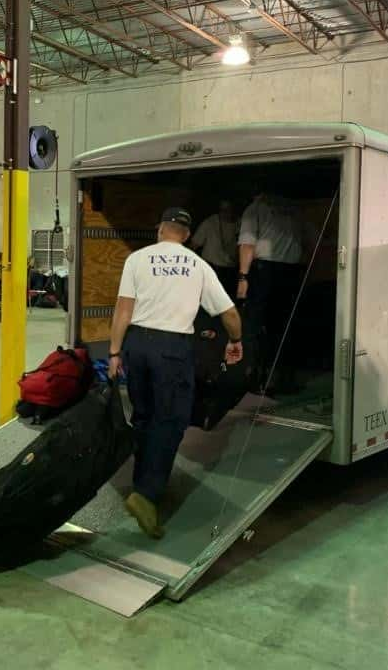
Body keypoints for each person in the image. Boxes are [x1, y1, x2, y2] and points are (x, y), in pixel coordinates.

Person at [108, 208, 243, 539]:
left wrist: (114, 352)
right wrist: (236, 341)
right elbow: (229, 312)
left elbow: (123, 310)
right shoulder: (198, 266)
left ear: (160, 230)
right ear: (186, 235)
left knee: (143, 415)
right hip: (172, 348)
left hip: (136, 344)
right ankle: (147, 495)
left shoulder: (137, 260)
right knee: (170, 421)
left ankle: (141, 483)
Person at [236, 193, 304, 392]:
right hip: (291, 270)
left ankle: (256, 379)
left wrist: (242, 277)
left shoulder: (255, 208)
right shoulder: (294, 208)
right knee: (285, 325)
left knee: (256, 326)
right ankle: (285, 378)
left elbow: (247, 244)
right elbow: (312, 239)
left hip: (264, 271)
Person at [190, 200, 239, 298]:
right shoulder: (210, 222)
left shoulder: (240, 223)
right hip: (211, 269)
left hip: (231, 271)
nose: (226, 213)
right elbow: (195, 244)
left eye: (229, 210)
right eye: (223, 210)